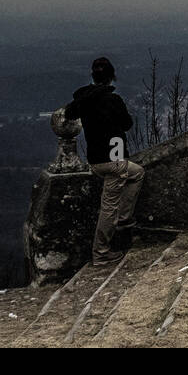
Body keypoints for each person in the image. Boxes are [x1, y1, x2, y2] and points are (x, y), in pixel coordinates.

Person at [64, 57, 142, 267]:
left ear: (93, 75)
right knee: (109, 207)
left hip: (95, 160)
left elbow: (68, 114)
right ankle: (101, 253)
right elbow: (127, 124)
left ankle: (124, 218)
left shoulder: (83, 99)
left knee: (137, 173)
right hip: (114, 160)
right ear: (111, 77)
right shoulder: (112, 100)